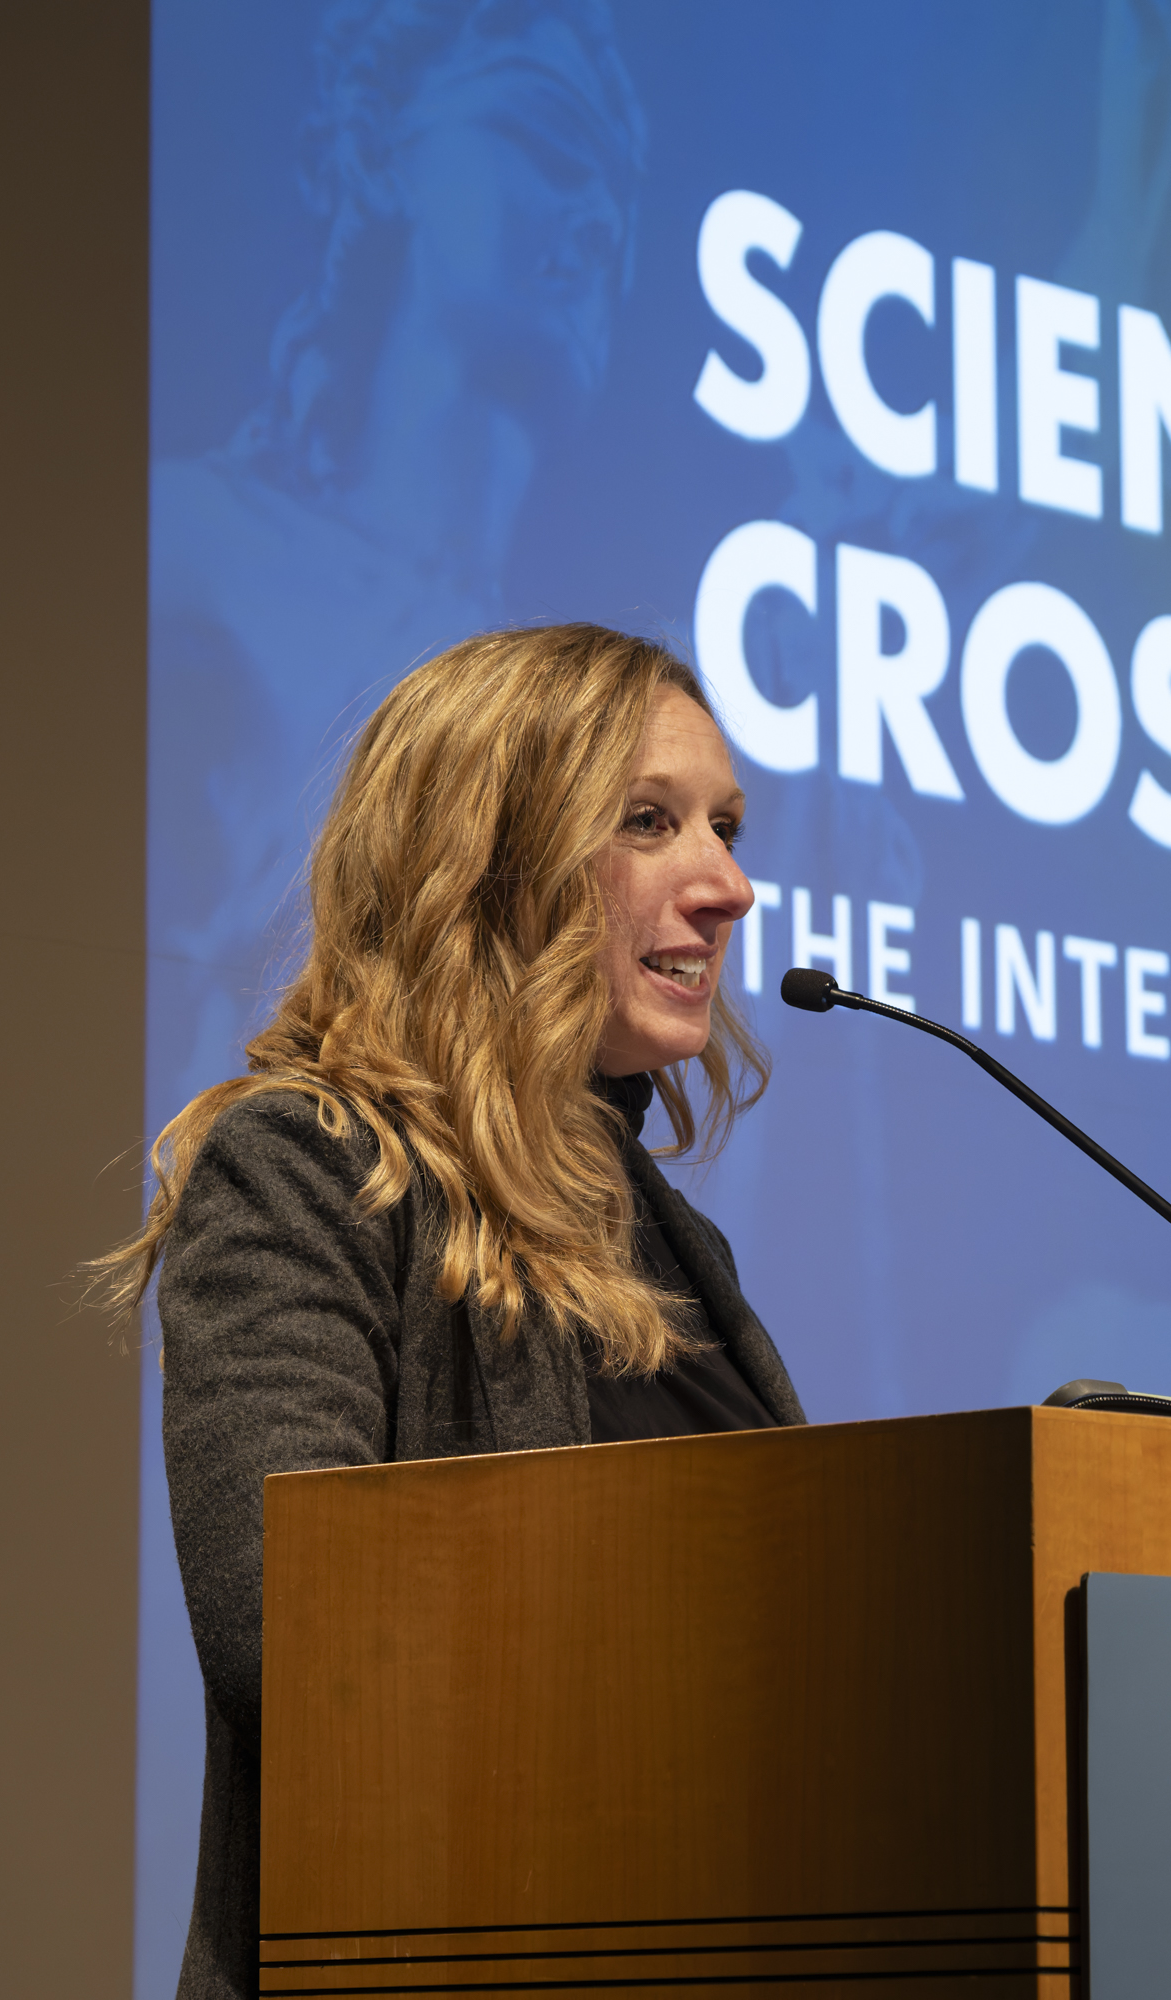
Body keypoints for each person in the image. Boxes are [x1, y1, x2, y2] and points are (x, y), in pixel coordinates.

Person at [96, 623, 807, 2000]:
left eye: (724, 826)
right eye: (650, 823)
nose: (727, 885)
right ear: (491, 862)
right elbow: (296, 1646)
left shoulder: (681, 1245)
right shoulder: (306, 1172)